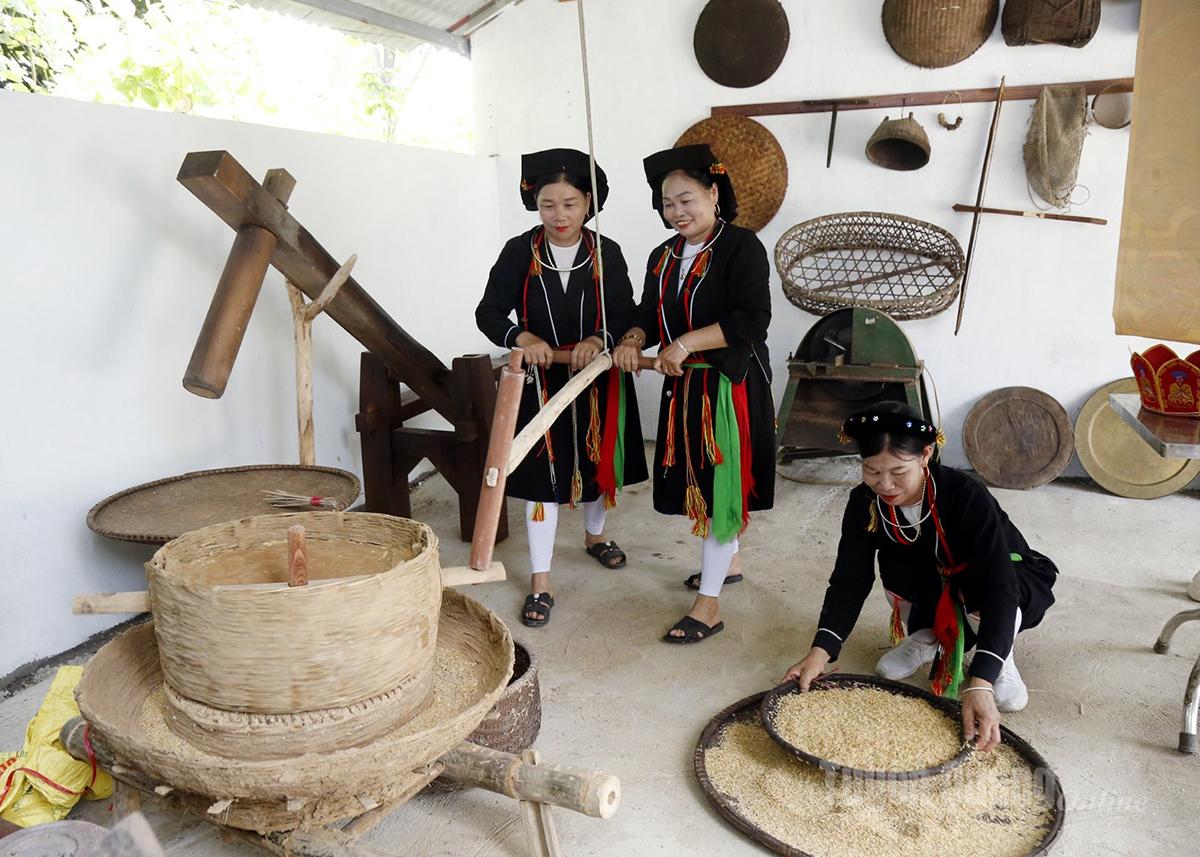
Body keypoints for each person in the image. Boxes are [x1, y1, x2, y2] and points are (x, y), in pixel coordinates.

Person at [780, 403, 1058, 751]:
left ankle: (999, 656)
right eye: (871, 470)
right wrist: (821, 652)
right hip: (931, 575)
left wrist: (980, 681)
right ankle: (926, 635)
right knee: (896, 566)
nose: (885, 485)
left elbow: (999, 585)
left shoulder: (964, 494)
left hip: (994, 579)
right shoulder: (865, 502)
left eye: (899, 471)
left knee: (985, 595)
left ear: (925, 455)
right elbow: (850, 578)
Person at [476, 148, 648, 628]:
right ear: (535, 204)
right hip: (540, 382)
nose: (560, 215)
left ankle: (595, 536)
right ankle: (540, 581)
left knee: (594, 465)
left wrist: (600, 339)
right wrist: (522, 338)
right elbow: (488, 312)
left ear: (589, 203)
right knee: (543, 481)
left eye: (571, 204)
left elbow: (628, 314)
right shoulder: (519, 251)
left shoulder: (605, 252)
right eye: (549, 204)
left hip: (595, 379)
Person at [613, 143, 775, 644]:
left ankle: (707, 607)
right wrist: (634, 337)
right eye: (668, 203)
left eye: (687, 199)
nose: (678, 211)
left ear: (712, 192)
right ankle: (728, 563)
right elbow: (645, 310)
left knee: (719, 487)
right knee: (699, 482)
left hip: (728, 388)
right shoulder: (663, 256)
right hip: (684, 386)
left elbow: (752, 320)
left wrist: (683, 342)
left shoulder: (741, 246)